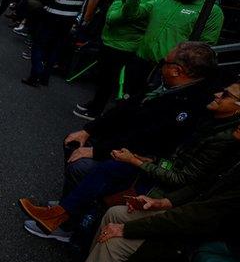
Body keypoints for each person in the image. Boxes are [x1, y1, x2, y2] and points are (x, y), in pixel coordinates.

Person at [49, 123, 240, 262]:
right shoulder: (233, 152)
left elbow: (200, 214)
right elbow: (199, 186)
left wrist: (128, 229)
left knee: (116, 241)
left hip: (197, 237)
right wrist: (162, 202)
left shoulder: (227, 152)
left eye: (228, 96)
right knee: (115, 214)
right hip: (183, 214)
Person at [21, 80, 240, 241]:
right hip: (156, 164)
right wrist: (152, 158)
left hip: (165, 187)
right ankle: (63, 212)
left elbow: (182, 176)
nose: (218, 94)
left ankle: (62, 219)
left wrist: (140, 161)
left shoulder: (222, 136)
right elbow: (176, 154)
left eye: (226, 95)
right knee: (96, 159)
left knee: (103, 167)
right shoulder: (210, 119)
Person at [73, 0, 168, 120]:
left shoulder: (155, 0)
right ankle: (95, 103)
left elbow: (115, 17)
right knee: (103, 76)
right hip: (111, 40)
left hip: (125, 45)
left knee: (110, 79)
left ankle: (97, 110)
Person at [124, 0, 224, 95]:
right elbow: (130, 15)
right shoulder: (162, 1)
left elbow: (206, 45)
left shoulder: (211, 11)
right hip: (141, 60)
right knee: (127, 99)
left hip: (170, 69)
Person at [23, 0, 92, 87]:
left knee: (39, 44)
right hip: (69, 20)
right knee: (55, 48)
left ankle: (35, 74)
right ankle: (45, 78)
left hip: (52, 17)